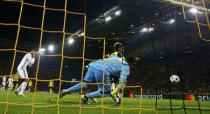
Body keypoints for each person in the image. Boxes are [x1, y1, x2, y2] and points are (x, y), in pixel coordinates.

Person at [60, 56, 135, 104]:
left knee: (85, 83)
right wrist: (115, 91)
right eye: (134, 65)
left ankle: (66, 90)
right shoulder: (126, 67)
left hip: (93, 65)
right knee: (106, 91)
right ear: (131, 63)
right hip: (102, 70)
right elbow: (122, 81)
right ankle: (85, 97)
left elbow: (107, 60)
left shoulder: (117, 58)